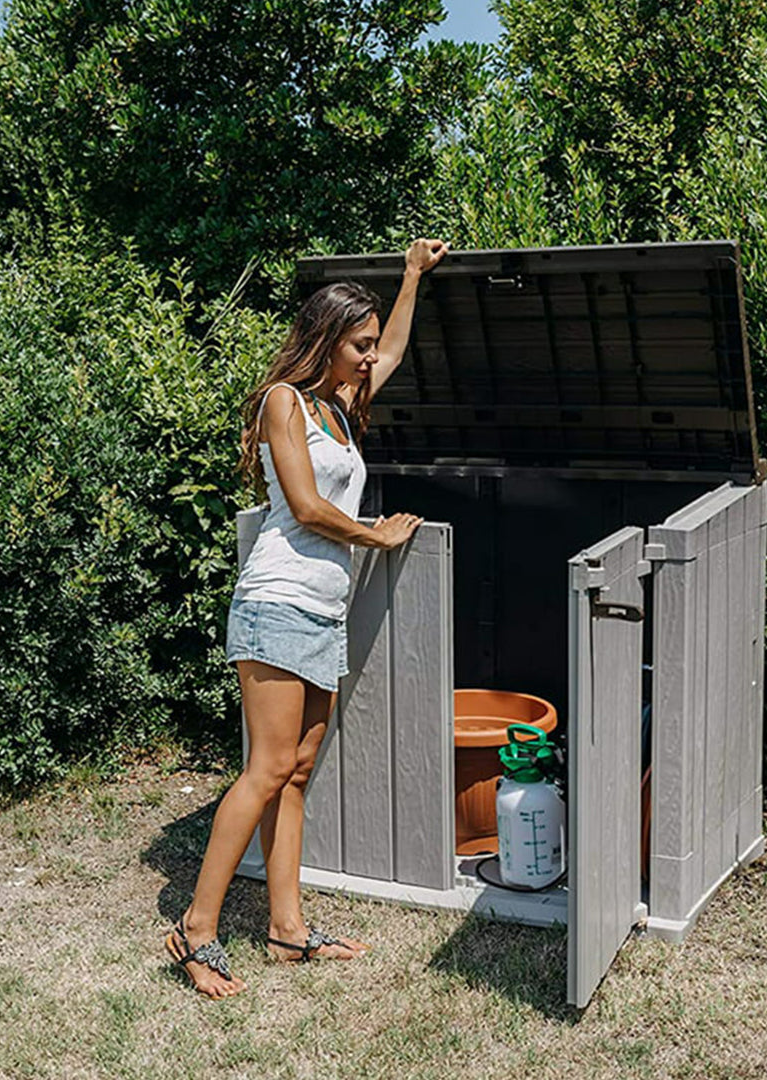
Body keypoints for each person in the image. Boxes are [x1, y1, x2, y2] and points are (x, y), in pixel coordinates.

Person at [165, 237, 450, 998]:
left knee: (295, 773)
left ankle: (287, 930)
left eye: (369, 345)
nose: (369, 357)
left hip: (324, 611)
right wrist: (375, 534)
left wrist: (412, 276)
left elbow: (394, 351)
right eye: (357, 345)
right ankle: (196, 928)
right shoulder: (283, 403)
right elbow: (305, 506)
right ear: (325, 340)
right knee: (265, 770)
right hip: (277, 602)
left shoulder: (341, 406)